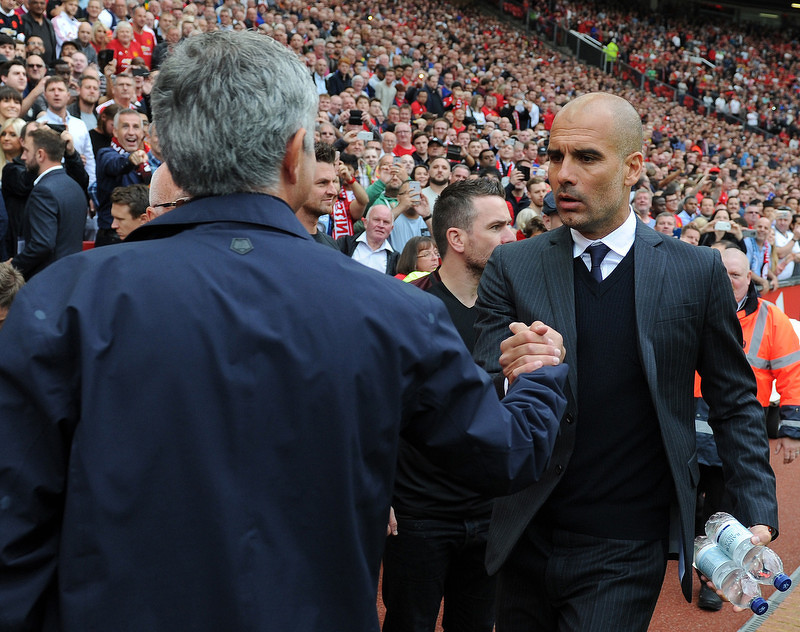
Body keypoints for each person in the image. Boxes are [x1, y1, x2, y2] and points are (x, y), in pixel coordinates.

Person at [0, 32, 569, 631]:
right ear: (296, 154)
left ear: (172, 153)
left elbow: (15, 525)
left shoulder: (65, 301)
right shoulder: (393, 311)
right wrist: (541, 376)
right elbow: (503, 453)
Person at [472, 92, 778, 632]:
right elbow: (478, 390)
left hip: (626, 544)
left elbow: (733, 399)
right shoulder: (513, 265)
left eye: (586, 157)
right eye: (554, 155)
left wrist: (756, 505)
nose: (562, 175)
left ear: (634, 167)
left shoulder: (696, 271)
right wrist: (510, 373)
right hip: (526, 530)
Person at [382, 179, 516, 632]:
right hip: (419, 513)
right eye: (497, 226)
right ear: (456, 239)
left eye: (510, 224)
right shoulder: (407, 306)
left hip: (492, 512)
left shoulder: (521, 312)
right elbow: (377, 407)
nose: (510, 236)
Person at [693, 246, 800, 611]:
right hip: (687, 425)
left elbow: (792, 373)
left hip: (735, 427)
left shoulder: (771, 319)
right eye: (719, 272)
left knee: (725, 509)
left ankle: (714, 579)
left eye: (734, 275)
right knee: (688, 506)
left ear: (749, 279)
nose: (726, 281)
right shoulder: (686, 306)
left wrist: (789, 429)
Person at [9, 125, 86, 278]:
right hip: (72, 276)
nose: (23, 157)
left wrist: (12, 266)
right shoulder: (75, 186)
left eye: (26, 151)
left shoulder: (43, 192)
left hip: (48, 280)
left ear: (40, 155)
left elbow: (42, 245)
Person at [94, 107, 151, 246]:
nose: (131, 132)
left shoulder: (146, 159)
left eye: (136, 127)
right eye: (125, 126)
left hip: (139, 234)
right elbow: (115, 165)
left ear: (142, 132)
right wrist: (130, 160)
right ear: (115, 131)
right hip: (112, 237)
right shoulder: (105, 154)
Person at [295, 141, 340, 249]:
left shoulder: (331, 245)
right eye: (322, 183)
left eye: (333, 182)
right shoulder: (274, 244)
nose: (333, 191)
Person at [335, 203, 398, 274]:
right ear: (365, 223)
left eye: (386, 222)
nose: (381, 225)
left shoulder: (396, 259)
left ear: (391, 229)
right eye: (377, 220)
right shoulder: (345, 244)